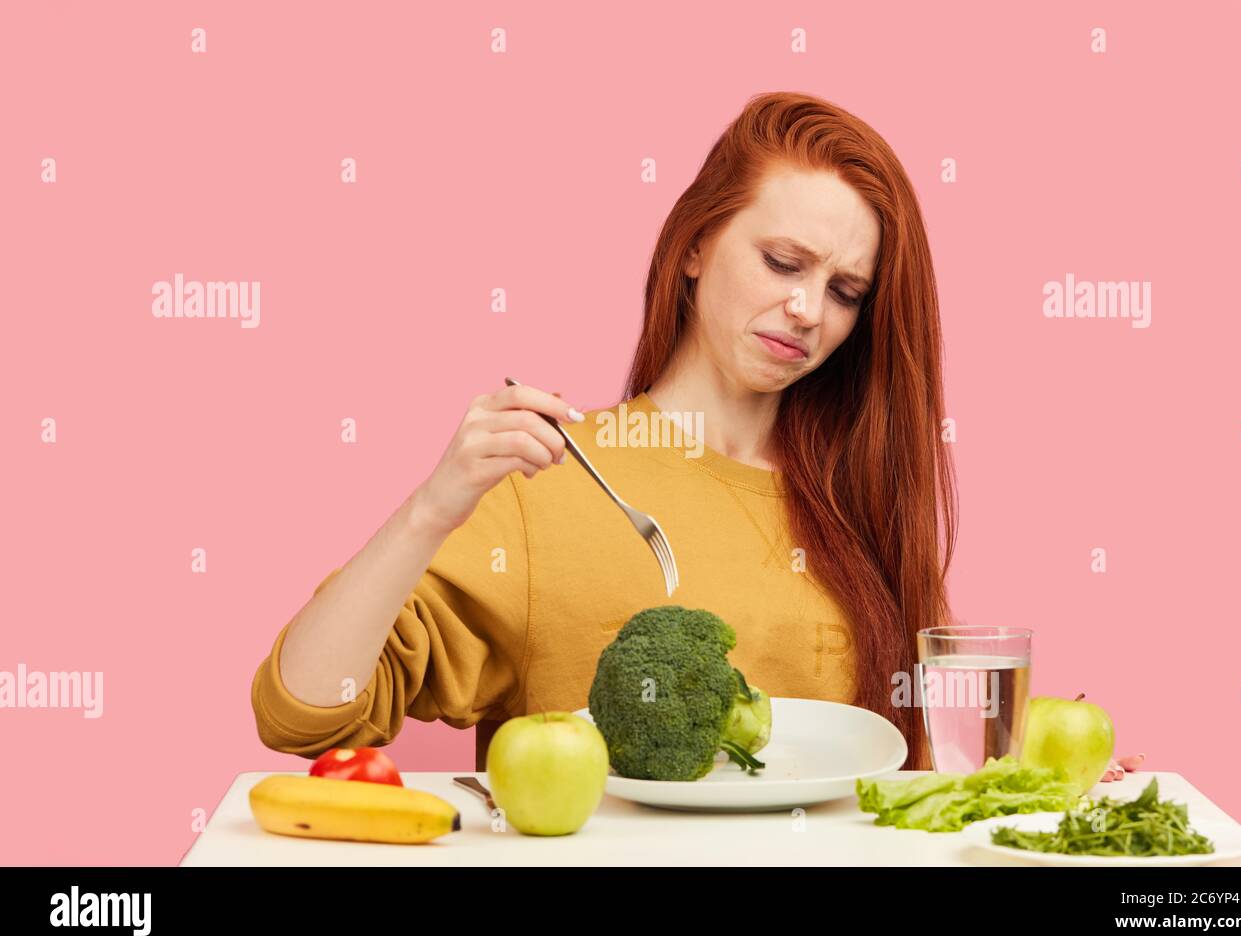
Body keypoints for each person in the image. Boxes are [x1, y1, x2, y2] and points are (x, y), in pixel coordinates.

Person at [251, 91, 958, 771]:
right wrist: (431, 510)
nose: (807, 309)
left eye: (844, 293)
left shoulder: (860, 505)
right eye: (783, 262)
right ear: (695, 245)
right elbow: (306, 714)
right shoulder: (545, 481)